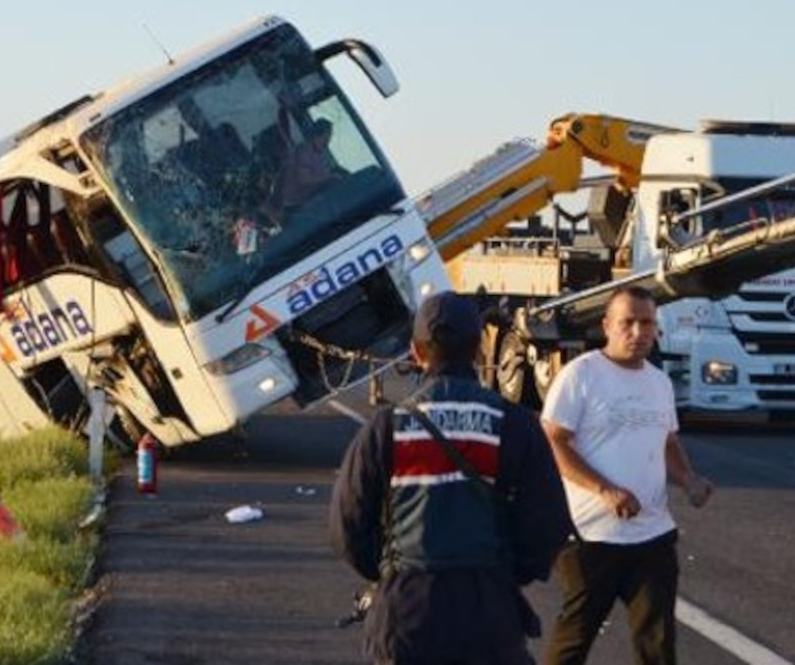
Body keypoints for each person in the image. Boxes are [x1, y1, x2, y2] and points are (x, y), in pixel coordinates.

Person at [330, 291, 573, 664]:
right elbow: (548, 523)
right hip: (488, 612)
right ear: (479, 349)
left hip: (406, 614)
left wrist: (391, 568)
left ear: (415, 352)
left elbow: (347, 528)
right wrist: (507, 572)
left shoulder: (387, 428)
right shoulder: (515, 425)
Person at [541, 286, 715, 665]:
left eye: (647, 323)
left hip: (651, 535)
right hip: (590, 536)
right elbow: (553, 442)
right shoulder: (581, 375)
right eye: (628, 323)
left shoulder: (658, 381)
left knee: (658, 645)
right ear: (607, 325)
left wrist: (689, 480)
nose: (638, 332)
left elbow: (667, 440)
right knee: (574, 642)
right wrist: (605, 491)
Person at [265, 118, 342, 222]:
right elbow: (304, 179)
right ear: (322, 133)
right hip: (298, 205)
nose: (330, 137)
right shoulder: (304, 152)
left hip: (312, 199)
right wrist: (329, 177)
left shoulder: (321, 153)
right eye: (329, 134)